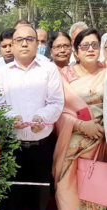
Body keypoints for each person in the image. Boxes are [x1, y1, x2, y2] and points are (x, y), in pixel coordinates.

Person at [0, 25, 64, 210]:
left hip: (41, 148)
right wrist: (11, 118)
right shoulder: (1, 73)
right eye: (19, 40)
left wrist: (42, 117)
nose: (24, 44)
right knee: (10, 201)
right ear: (13, 45)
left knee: (38, 201)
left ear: (37, 43)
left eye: (29, 39)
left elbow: (56, 102)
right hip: (11, 148)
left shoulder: (49, 69)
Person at [53, 28, 106, 210]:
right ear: (75, 52)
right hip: (72, 146)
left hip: (101, 146)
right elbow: (57, 111)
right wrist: (82, 125)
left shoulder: (106, 73)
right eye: (85, 46)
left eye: (95, 45)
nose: (90, 49)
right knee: (68, 197)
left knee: (96, 198)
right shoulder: (64, 76)